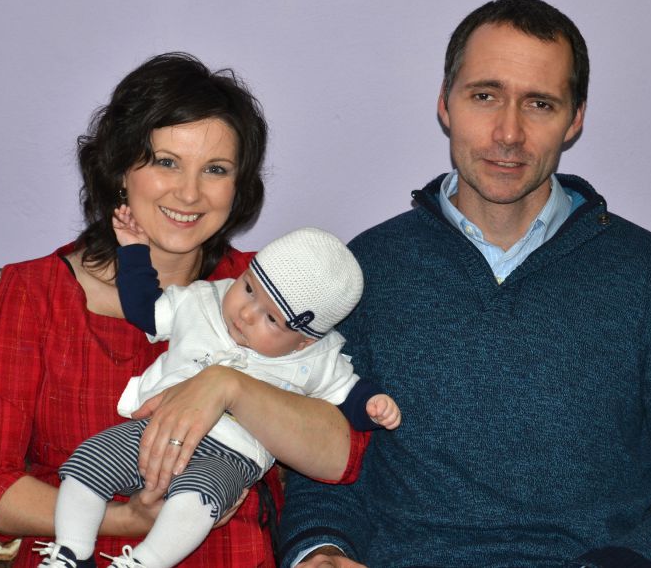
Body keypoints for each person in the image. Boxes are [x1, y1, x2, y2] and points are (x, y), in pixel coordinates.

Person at [278, 0, 651, 568]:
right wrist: (321, 547)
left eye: (539, 104)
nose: (508, 133)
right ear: (445, 103)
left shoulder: (647, 274)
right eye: (485, 96)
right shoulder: (366, 268)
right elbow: (327, 464)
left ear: (575, 118)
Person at [0, 52, 369, 568]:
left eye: (215, 170)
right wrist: (126, 520)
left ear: (238, 187)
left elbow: (339, 459)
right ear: (120, 168)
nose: (189, 193)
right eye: (166, 162)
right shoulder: (37, 293)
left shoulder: (273, 293)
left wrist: (228, 386)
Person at [38, 218, 400, 568]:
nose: (246, 313)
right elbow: (144, 309)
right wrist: (133, 253)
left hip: (231, 456)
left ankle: (143, 562)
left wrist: (372, 404)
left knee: (197, 500)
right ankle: (71, 552)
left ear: (304, 340)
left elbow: (347, 393)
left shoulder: (316, 358)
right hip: (156, 429)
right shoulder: (203, 299)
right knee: (89, 460)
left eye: (271, 320)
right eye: (248, 289)